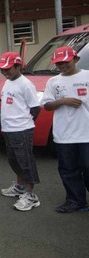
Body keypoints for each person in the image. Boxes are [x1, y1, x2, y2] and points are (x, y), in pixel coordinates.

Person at [41, 46, 89, 213]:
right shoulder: (53, 82)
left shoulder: (87, 76)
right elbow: (46, 105)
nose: (62, 66)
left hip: (86, 134)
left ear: (75, 59)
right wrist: (62, 101)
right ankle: (76, 201)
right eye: (58, 63)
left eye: (65, 62)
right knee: (68, 170)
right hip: (64, 135)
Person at [0, 52, 41, 211]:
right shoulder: (8, 82)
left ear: (18, 66)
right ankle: (20, 186)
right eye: (2, 69)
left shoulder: (25, 84)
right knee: (13, 160)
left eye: (8, 68)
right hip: (9, 129)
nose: (5, 72)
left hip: (21, 129)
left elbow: (35, 109)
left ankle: (30, 195)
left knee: (25, 161)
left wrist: (24, 123)